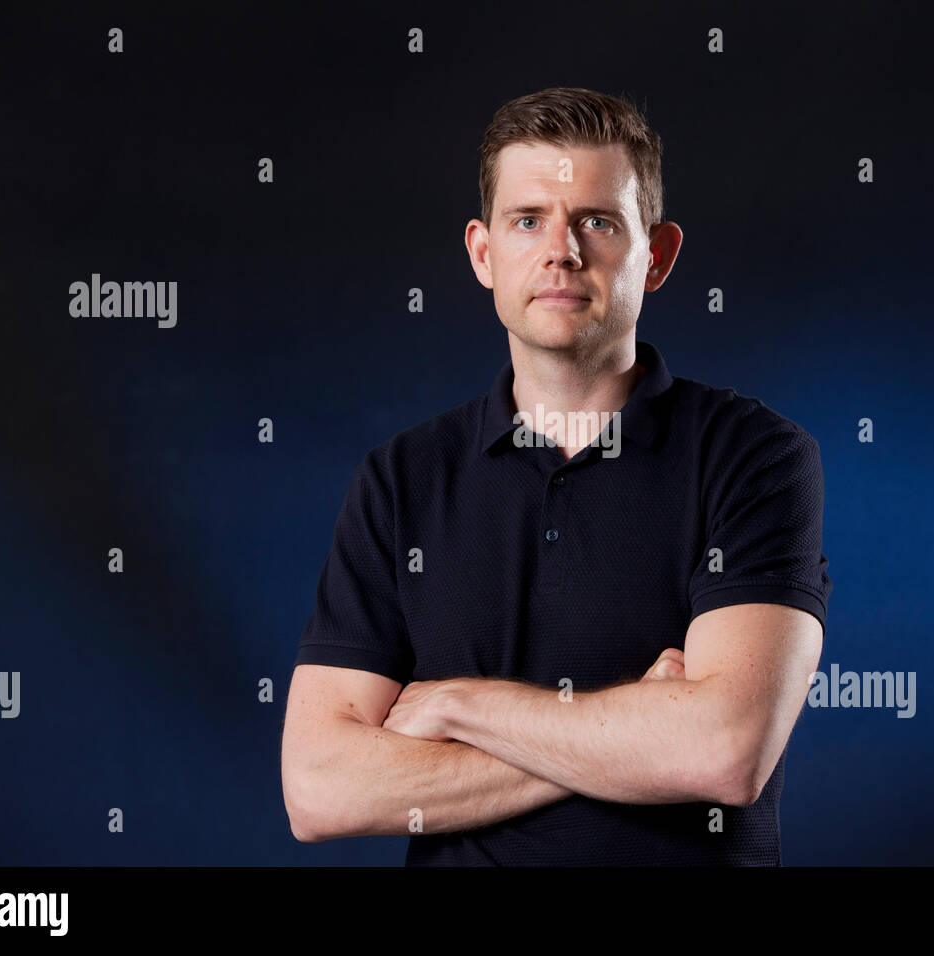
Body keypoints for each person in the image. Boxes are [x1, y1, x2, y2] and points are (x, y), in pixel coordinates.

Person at [281, 86, 832, 865]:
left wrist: (458, 704)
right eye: (528, 219)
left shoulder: (756, 459)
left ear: (658, 255)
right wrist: (634, 733)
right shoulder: (401, 481)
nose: (561, 251)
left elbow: (724, 751)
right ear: (483, 252)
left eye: (598, 223)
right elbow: (318, 789)